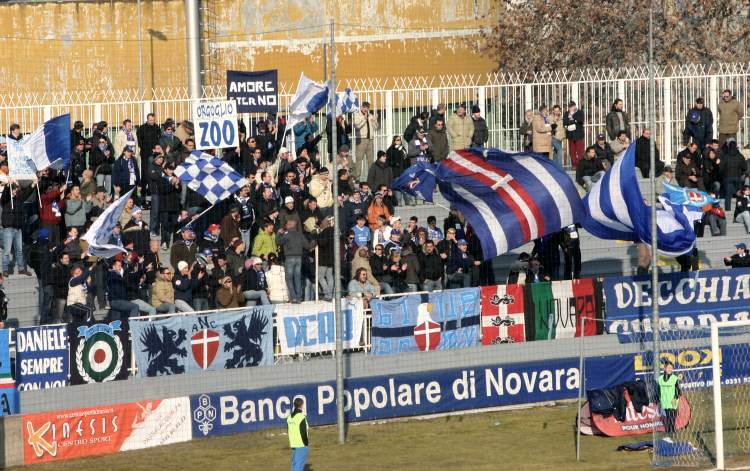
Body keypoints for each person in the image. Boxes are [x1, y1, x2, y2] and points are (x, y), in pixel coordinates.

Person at [1, 179, 35, 276]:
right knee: (7, 250)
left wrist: (33, 184)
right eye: (14, 190)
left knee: (19, 250)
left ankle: (21, 268)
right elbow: (4, 194)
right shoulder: (5, 200)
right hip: (8, 228)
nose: (16, 191)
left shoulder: (19, 199)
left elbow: (27, 193)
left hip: (18, 228)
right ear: (11, 190)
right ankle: (5, 269)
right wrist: (8, 185)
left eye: (17, 190)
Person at [277, 219, 315, 303]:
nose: (286, 226)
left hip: (289, 258)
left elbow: (278, 242)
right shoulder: (300, 235)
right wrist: (314, 242)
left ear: (289, 225)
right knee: (297, 278)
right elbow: (308, 246)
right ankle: (299, 298)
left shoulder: (287, 235)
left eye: (287, 225)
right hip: (299, 258)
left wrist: (279, 233)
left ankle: (293, 297)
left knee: (289, 278)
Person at [352, 101, 379, 182]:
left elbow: (376, 128)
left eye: (367, 108)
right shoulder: (357, 115)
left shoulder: (370, 116)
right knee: (359, 159)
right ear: (361, 107)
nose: (365, 109)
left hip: (370, 139)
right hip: (361, 139)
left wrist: (374, 121)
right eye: (364, 107)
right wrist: (365, 118)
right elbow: (357, 126)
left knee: (370, 160)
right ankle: (357, 178)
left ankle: (371, 177)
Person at [719, 138, 746, 212]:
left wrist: (723, 175)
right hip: (737, 177)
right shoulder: (740, 156)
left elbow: (721, 168)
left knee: (728, 195)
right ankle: (740, 209)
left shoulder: (725, 156)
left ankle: (728, 209)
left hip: (727, 177)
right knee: (739, 194)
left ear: (729, 146)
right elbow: (745, 167)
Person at [657, 360, 681, 435]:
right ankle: (668, 430)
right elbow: (658, 390)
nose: (670, 369)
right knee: (667, 416)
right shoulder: (660, 378)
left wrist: (675, 398)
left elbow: (678, 391)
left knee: (672, 416)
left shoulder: (675, 378)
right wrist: (659, 399)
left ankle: (672, 430)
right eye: (668, 367)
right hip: (664, 401)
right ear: (665, 368)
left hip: (673, 401)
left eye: (671, 368)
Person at [287, 397, 309, 471]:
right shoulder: (301, 417)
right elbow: (303, 432)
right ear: (302, 405)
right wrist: (306, 443)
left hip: (293, 444)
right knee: (299, 465)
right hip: (301, 444)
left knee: (294, 464)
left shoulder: (289, 417)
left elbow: (288, 430)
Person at [563, 101, 585, 168]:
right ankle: (574, 164)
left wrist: (573, 117)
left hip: (578, 134)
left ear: (575, 106)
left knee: (580, 150)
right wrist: (569, 120)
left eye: (572, 107)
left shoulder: (580, 112)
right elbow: (565, 122)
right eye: (569, 107)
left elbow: (581, 120)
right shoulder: (566, 113)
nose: (570, 108)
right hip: (570, 134)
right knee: (572, 151)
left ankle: (580, 164)